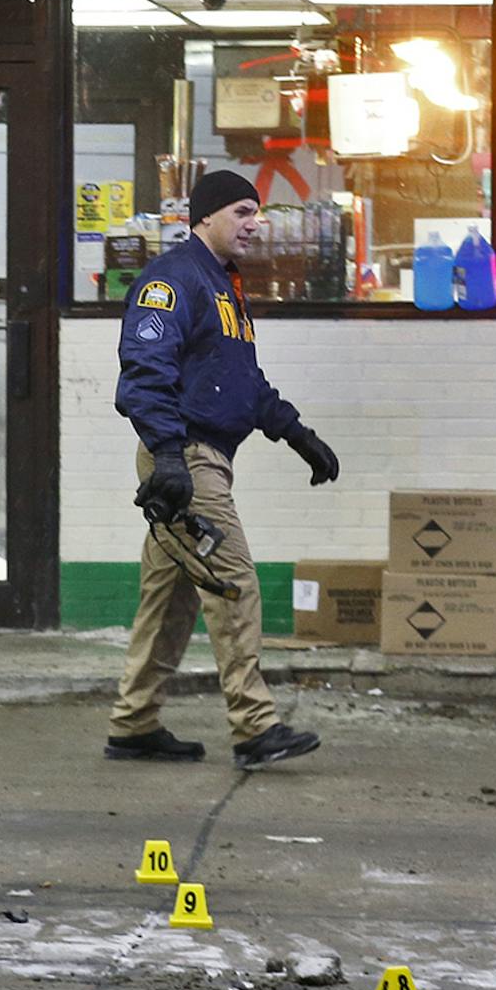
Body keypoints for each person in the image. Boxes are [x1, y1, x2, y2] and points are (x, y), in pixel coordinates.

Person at [103, 171, 340, 771]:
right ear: (204, 216)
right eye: (241, 211)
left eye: (256, 213)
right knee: (233, 581)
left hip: (203, 458)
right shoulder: (173, 282)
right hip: (187, 459)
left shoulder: (224, 288)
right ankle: (255, 725)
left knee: (171, 599)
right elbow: (143, 372)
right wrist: (169, 455)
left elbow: (241, 381)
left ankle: (134, 723)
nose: (254, 224)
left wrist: (294, 431)